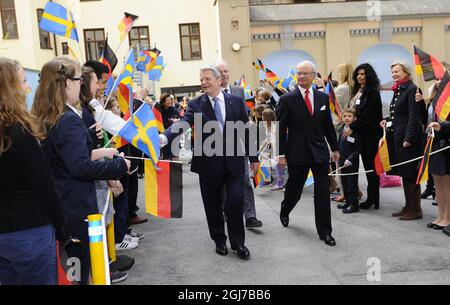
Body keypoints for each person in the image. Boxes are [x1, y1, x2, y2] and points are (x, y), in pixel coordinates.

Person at [32, 57, 130, 284]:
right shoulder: (67, 120)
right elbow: (80, 167)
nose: (81, 85)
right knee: (80, 273)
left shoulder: (47, 116)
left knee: (72, 272)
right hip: (76, 209)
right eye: (78, 80)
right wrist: (118, 166)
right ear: (67, 83)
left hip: (62, 205)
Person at [160, 66, 260, 259]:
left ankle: (238, 243)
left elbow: (246, 130)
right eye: (201, 79)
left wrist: (254, 158)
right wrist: (165, 137)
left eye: (207, 79)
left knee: (235, 202)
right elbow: (185, 122)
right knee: (212, 205)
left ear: (218, 80)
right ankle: (219, 241)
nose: (203, 82)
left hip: (234, 162)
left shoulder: (236, 102)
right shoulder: (196, 104)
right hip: (208, 164)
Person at [0, 58, 68, 285]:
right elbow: (45, 185)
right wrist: (62, 227)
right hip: (29, 232)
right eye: (22, 82)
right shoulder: (19, 131)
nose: (27, 87)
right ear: (8, 88)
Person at [278, 61, 340, 247]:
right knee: (294, 189)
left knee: (321, 191)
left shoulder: (322, 98)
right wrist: (281, 154)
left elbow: (327, 125)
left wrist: (335, 148)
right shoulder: (287, 99)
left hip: (319, 151)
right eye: (299, 73)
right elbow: (280, 129)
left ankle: (325, 232)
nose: (301, 76)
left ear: (314, 76)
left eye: (305, 73)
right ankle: (285, 209)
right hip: (297, 152)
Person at [215, 60, 263, 228]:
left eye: (226, 71)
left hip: (238, 146)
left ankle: (250, 216)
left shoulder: (238, 91)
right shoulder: (209, 95)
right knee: (223, 186)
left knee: (244, 181)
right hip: (218, 149)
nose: (224, 74)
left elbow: (244, 121)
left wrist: (253, 155)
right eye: (220, 71)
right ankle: (228, 212)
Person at [381, 61, 426, 220]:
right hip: (398, 135)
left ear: (406, 72)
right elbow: (398, 114)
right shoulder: (400, 89)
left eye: (397, 71)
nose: (394, 74)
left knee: (411, 174)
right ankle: (408, 206)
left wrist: (409, 138)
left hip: (408, 138)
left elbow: (414, 117)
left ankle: (416, 209)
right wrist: (387, 120)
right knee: (404, 173)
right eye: (392, 72)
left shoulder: (412, 88)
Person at [341, 63, 383, 210]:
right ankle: (351, 197)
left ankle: (373, 198)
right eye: (358, 74)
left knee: (370, 168)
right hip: (359, 134)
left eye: (363, 74)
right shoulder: (358, 90)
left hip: (369, 135)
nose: (360, 76)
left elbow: (368, 116)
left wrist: (352, 127)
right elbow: (355, 111)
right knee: (353, 165)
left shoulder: (372, 92)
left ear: (369, 75)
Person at [337, 108, 360, 214]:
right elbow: (339, 144)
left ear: (354, 118)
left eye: (349, 116)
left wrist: (350, 159)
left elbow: (358, 149)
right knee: (344, 183)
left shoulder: (355, 132)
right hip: (342, 161)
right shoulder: (342, 129)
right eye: (345, 116)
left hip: (351, 163)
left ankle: (354, 205)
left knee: (352, 184)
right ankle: (347, 201)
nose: (347, 118)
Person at [261, 108, 285, 191]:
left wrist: (270, 143)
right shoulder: (267, 126)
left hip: (278, 148)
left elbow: (276, 138)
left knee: (280, 165)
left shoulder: (275, 126)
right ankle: (280, 182)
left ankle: (280, 183)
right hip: (273, 148)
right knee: (278, 166)